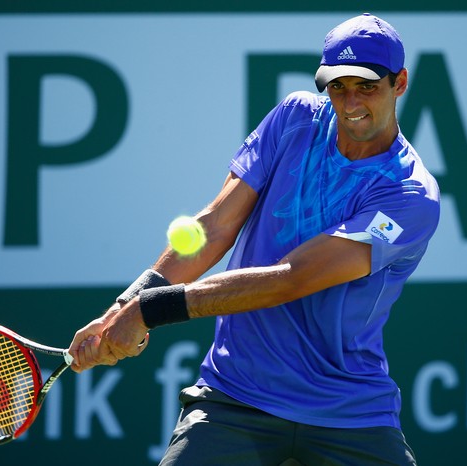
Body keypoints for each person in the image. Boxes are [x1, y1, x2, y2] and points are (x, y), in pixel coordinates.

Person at [69, 12, 439, 466]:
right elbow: (216, 225)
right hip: (235, 396)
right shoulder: (295, 119)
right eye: (338, 86)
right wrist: (122, 308)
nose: (350, 102)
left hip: (349, 413)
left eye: (367, 86)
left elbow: (291, 279)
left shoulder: (409, 195)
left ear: (399, 83)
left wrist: (150, 310)